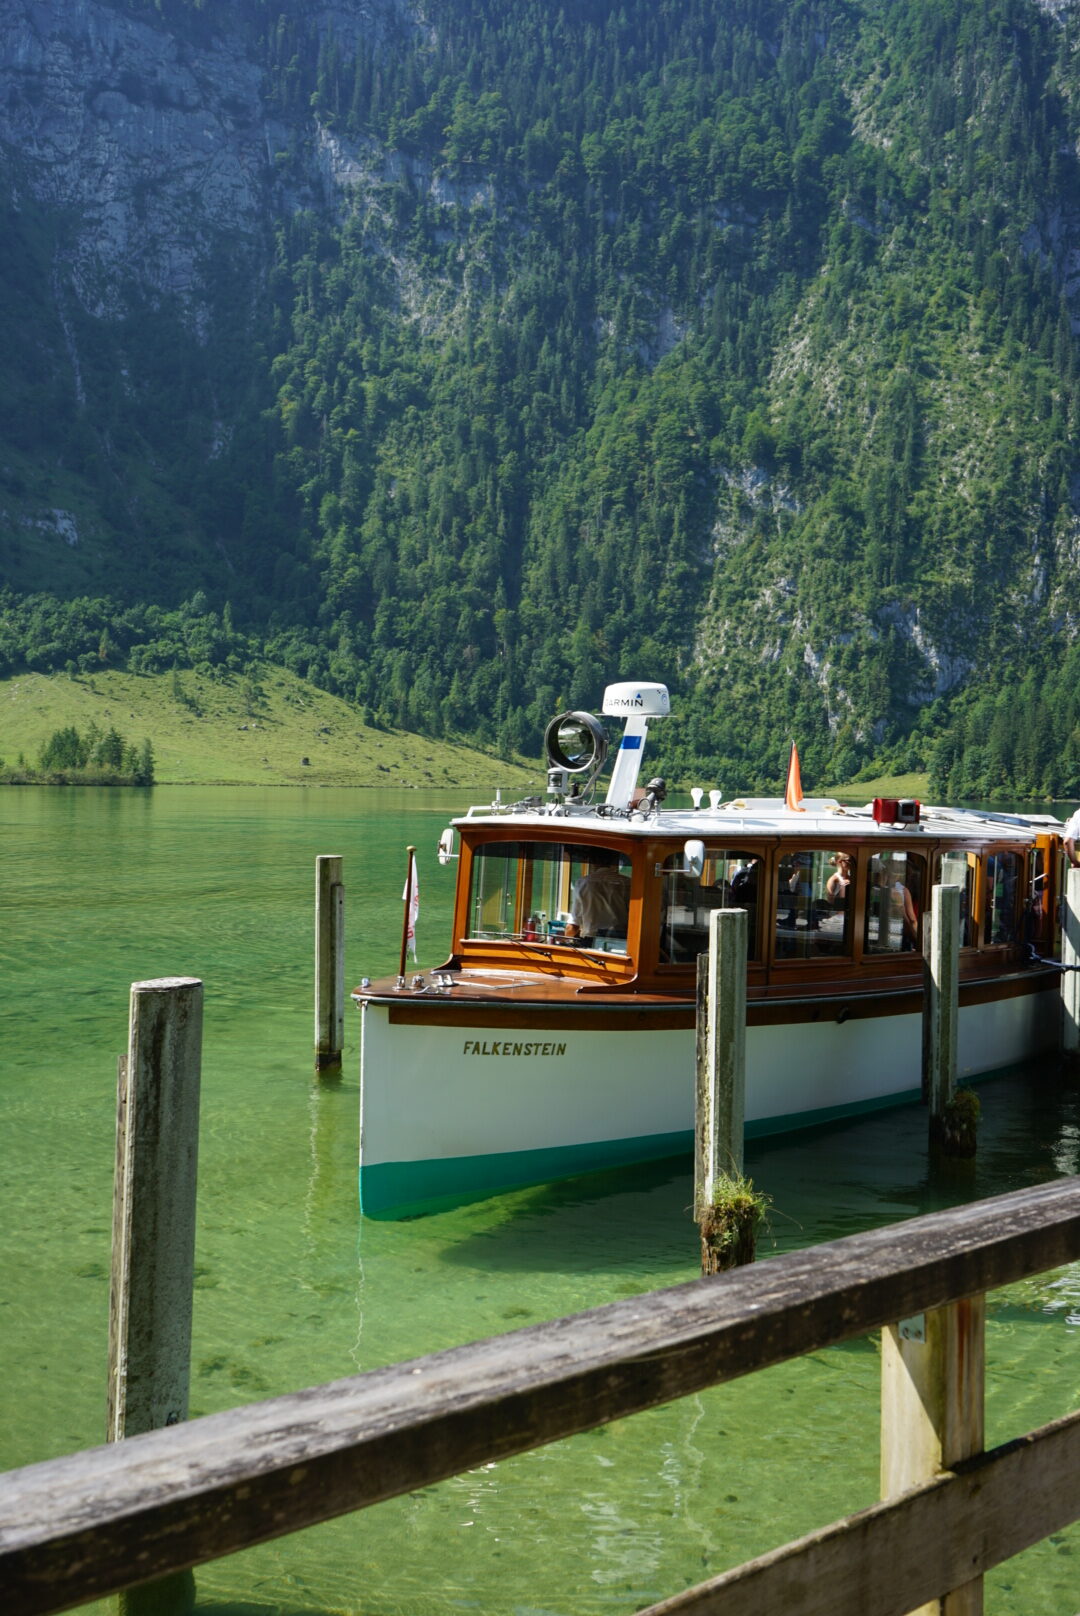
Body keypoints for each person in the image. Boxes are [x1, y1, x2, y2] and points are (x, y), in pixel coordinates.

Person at [570, 849, 630, 942]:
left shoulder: (583, 883)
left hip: (591, 940)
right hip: (621, 941)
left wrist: (566, 943)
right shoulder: (627, 883)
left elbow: (574, 923)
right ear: (615, 861)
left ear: (593, 862)